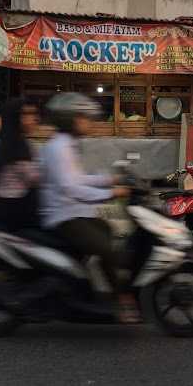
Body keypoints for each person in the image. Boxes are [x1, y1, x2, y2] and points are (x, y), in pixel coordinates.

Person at [39, 92, 136, 324]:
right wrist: (111, 193)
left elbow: (79, 178)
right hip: (64, 216)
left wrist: (109, 179)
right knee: (108, 249)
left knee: (108, 231)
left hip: (73, 211)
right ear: (70, 119)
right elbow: (72, 188)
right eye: (83, 117)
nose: (88, 122)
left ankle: (88, 285)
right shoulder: (59, 148)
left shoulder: (67, 145)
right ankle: (118, 300)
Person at [0, 98, 39, 231]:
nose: (34, 119)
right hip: (13, 212)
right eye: (27, 114)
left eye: (34, 114)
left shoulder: (9, 141)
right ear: (16, 118)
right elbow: (35, 179)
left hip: (4, 208)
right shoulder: (17, 146)